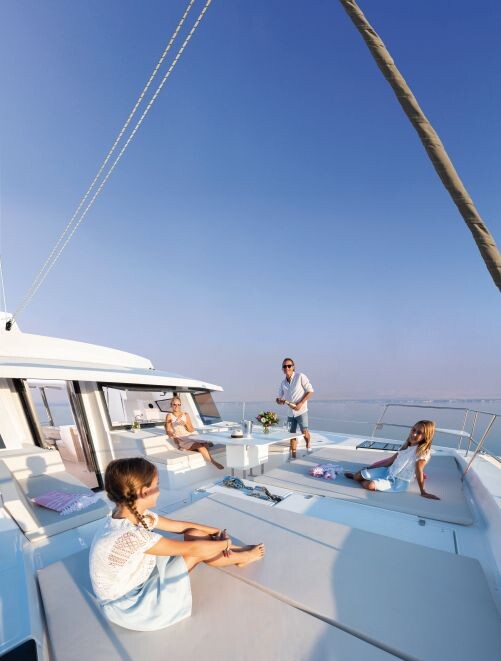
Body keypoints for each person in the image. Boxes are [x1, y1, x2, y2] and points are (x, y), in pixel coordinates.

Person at [89, 457, 265, 631]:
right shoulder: (130, 536)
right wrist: (225, 543)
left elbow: (180, 527)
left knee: (194, 534)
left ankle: (238, 552)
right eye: (157, 485)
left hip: (137, 577)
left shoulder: (129, 514)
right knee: (196, 553)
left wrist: (216, 532)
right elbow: (193, 549)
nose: (159, 490)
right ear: (144, 492)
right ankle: (243, 557)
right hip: (130, 604)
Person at [345, 420, 440, 499]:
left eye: (419, 433)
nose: (414, 434)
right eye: (413, 430)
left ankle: (365, 481)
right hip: (388, 472)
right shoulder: (406, 445)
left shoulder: (423, 452)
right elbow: (390, 461)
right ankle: (359, 478)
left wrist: (423, 491)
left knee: (370, 485)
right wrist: (370, 468)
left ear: (426, 436)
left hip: (398, 481)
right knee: (357, 475)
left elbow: (419, 470)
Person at [165, 396, 224, 470]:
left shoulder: (185, 415)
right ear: (171, 405)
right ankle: (214, 462)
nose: (177, 406)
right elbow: (168, 430)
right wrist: (173, 436)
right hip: (182, 438)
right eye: (174, 404)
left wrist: (185, 424)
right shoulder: (169, 416)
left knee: (206, 445)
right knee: (200, 447)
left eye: (178, 404)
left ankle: (198, 447)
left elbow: (191, 430)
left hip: (190, 435)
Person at [276, 358, 314, 458]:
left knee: (304, 431)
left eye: (289, 366)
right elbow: (279, 398)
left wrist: (300, 403)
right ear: (282, 369)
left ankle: (308, 447)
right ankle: (293, 455)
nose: (287, 368)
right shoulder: (283, 383)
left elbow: (310, 391)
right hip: (290, 412)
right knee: (291, 434)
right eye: (284, 366)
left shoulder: (300, 376)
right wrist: (279, 401)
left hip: (301, 411)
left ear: (293, 367)